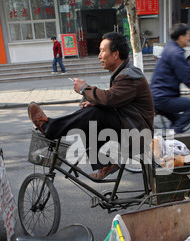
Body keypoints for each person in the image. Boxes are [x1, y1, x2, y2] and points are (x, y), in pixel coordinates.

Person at [28, 32, 154, 180]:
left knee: (95, 113)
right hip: (132, 127)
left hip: (137, 134)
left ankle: (49, 127)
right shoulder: (124, 73)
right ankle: (105, 164)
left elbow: (109, 98)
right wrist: (95, 101)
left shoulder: (128, 75)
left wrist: (84, 88)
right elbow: (116, 99)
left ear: (115, 54)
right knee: (92, 111)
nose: (99, 56)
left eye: (102, 51)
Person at [150, 23, 190, 133]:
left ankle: (171, 140)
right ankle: (175, 136)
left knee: (178, 120)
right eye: (188, 35)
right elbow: (187, 76)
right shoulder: (176, 53)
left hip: (158, 95)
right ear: (181, 37)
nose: (189, 38)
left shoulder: (170, 48)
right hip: (163, 98)